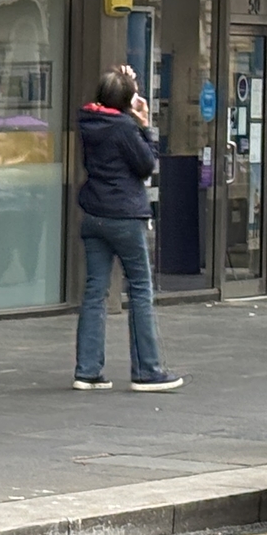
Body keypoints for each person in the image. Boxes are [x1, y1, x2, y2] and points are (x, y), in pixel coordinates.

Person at [74, 63, 181, 394]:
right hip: (124, 215)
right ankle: (146, 370)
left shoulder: (88, 121)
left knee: (95, 291)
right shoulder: (123, 127)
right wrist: (145, 124)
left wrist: (126, 81)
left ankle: (87, 370)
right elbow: (147, 164)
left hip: (94, 214)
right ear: (125, 100)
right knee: (140, 288)